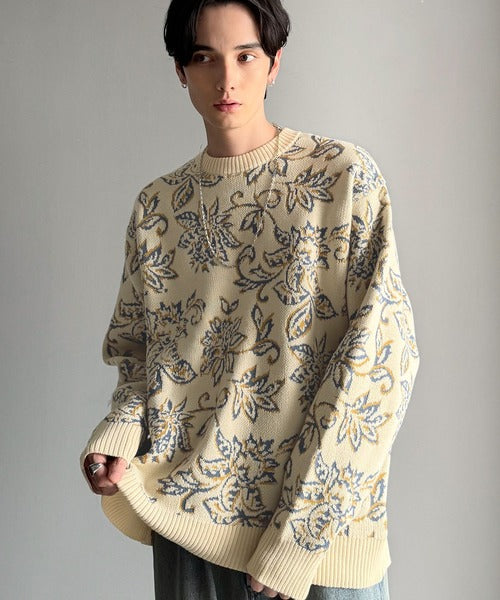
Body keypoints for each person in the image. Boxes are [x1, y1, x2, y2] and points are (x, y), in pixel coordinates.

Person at [80, 1, 420, 599]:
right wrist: (118, 436)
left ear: (274, 63)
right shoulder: (158, 208)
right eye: (204, 57)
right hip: (188, 529)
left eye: (245, 56)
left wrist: (298, 539)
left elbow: (381, 365)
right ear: (180, 70)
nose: (226, 79)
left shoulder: (341, 178)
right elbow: (142, 358)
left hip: (318, 542)